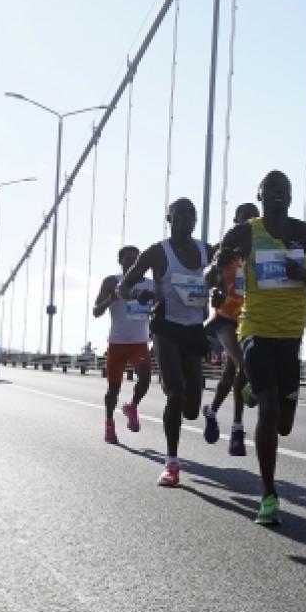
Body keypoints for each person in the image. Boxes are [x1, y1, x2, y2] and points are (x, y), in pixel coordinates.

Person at [210, 170, 306, 525]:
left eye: (284, 190)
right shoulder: (245, 232)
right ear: (260, 195)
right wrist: (220, 267)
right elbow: (213, 273)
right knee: (268, 409)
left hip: (292, 336)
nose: (278, 195)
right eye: (271, 190)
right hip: (256, 330)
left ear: (292, 197)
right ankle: (268, 495)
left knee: (284, 424)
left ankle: (252, 388)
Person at [119, 198, 213, 488]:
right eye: (180, 213)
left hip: (195, 331)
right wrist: (139, 295)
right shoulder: (158, 253)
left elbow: (229, 275)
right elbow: (125, 286)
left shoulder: (206, 251)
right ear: (169, 218)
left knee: (192, 409)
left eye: (191, 214)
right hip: (166, 329)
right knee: (176, 393)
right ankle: (171, 463)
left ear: (195, 221)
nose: (186, 218)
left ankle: (186, 395)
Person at [202, 202, 262, 456]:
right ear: (236, 219)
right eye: (244, 217)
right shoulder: (224, 249)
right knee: (244, 365)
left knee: (231, 376)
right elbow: (209, 274)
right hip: (224, 318)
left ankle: (211, 411)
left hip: (249, 318)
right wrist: (214, 281)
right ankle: (237, 430)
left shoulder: (259, 250)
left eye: (253, 217)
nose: (248, 221)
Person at [92, 246, 155, 445]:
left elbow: (160, 309)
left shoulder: (151, 284)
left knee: (145, 379)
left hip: (140, 343)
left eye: (136, 260)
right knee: (113, 389)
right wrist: (112, 297)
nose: (132, 263)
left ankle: (133, 406)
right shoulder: (112, 281)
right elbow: (96, 311)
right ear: (120, 261)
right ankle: (109, 424)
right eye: (128, 259)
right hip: (117, 343)